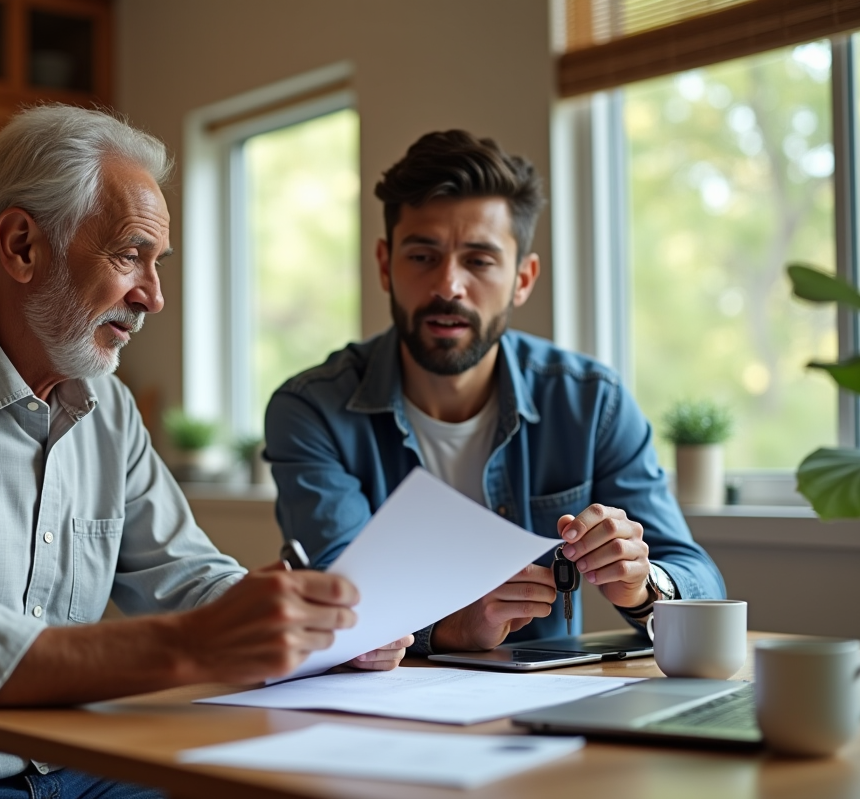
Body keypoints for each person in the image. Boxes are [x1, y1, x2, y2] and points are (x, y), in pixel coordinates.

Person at [0, 105, 411, 799]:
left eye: (157, 263)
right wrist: (191, 646)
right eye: (129, 255)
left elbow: (185, 577)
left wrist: (318, 629)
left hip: (66, 768)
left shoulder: (106, 407)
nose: (154, 296)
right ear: (22, 245)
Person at [264, 130, 725, 655]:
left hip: (546, 711)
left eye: (479, 260)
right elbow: (333, 602)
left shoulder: (592, 402)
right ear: (385, 264)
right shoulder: (310, 410)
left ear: (522, 278)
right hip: (375, 709)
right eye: (422, 256)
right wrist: (450, 630)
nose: (448, 286)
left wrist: (643, 587)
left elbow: (699, 580)